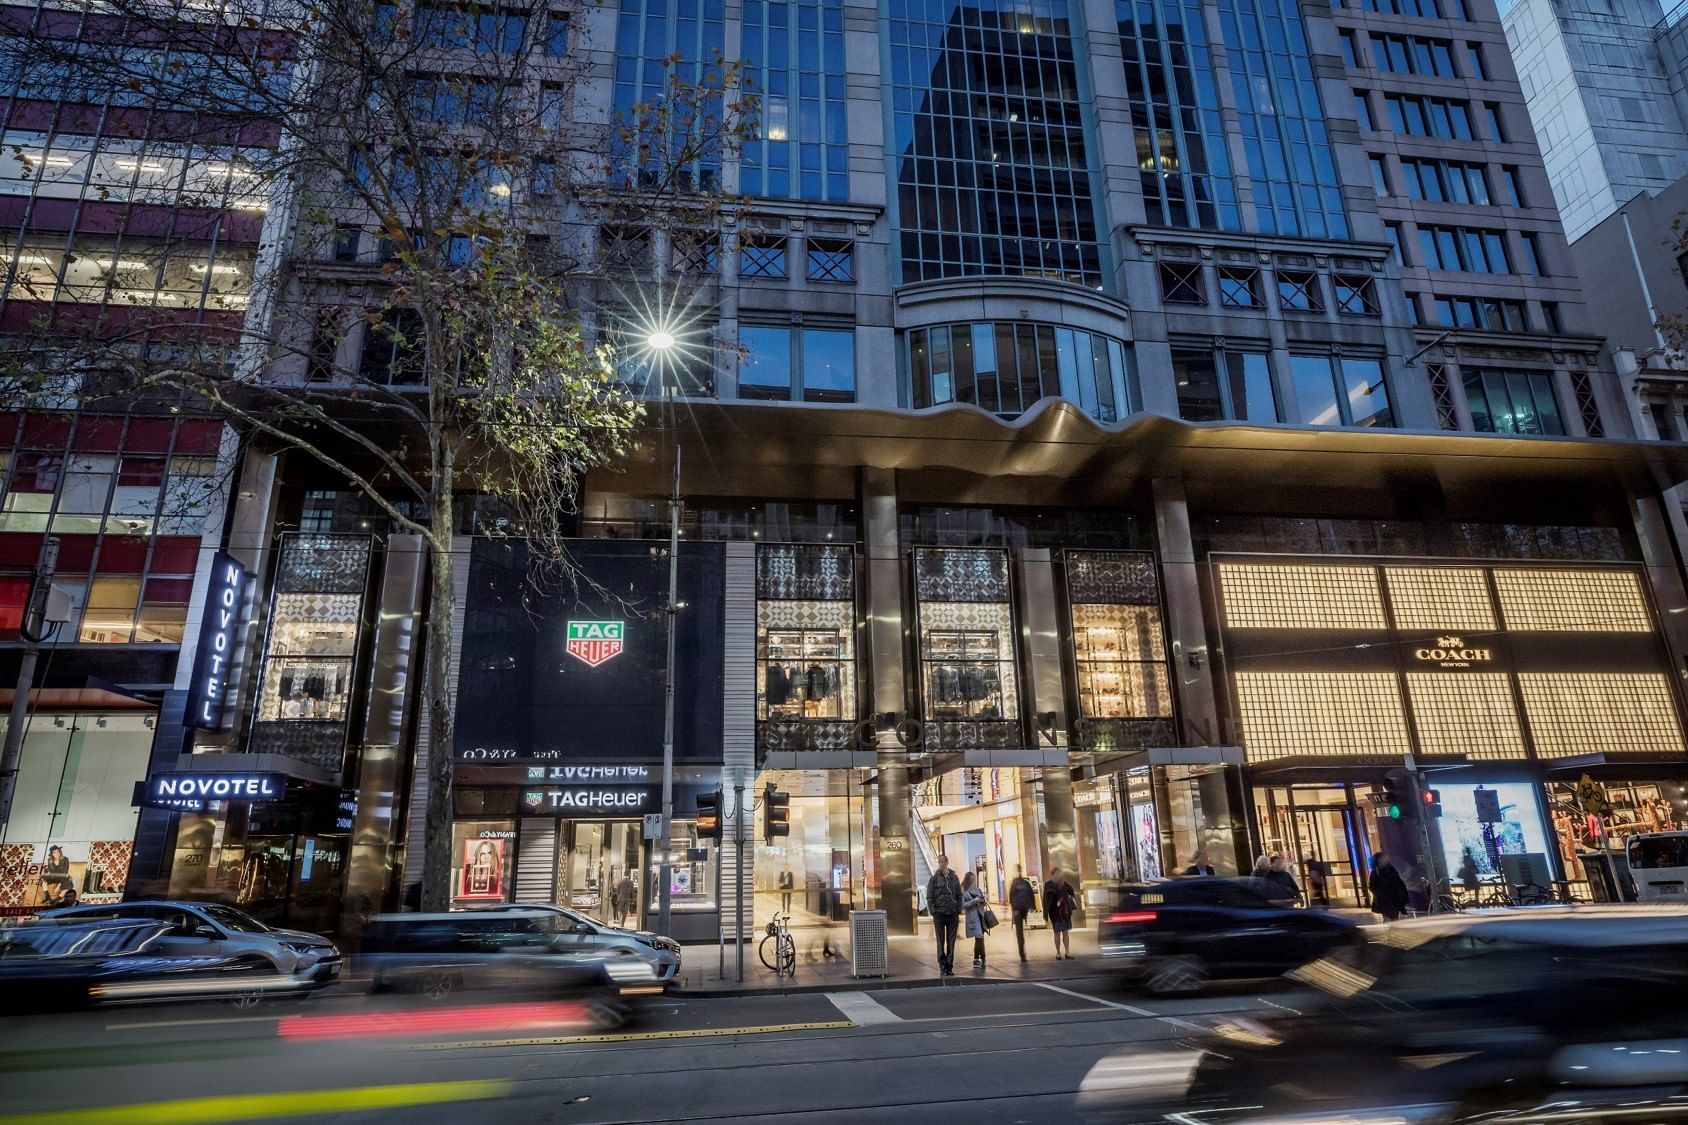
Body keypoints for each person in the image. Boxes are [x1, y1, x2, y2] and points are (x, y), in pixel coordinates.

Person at [926, 853, 963, 977]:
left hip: (952, 915)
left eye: (943, 862)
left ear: (947, 862)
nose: (941, 864)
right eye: (939, 862)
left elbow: (959, 894)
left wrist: (958, 908)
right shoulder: (934, 879)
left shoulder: (954, 878)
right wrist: (933, 911)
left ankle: (949, 966)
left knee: (951, 942)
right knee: (940, 942)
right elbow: (929, 896)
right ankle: (942, 965)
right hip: (939, 915)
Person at [1043, 867, 1078, 960]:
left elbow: (1071, 891)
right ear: (1053, 875)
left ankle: (1067, 952)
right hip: (1055, 913)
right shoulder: (1048, 885)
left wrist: (1066, 888)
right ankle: (1058, 953)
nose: (1060, 875)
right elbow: (1046, 899)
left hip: (1065, 912)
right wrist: (1045, 914)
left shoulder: (1064, 884)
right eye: (1058, 874)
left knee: (1065, 932)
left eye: (1060, 874)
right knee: (1057, 932)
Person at [961, 870, 989, 970]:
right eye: (972, 880)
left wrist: (983, 900)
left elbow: (984, 903)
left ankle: (980, 959)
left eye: (974, 880)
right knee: (979, 938)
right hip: (972, 918)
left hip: (981, 917)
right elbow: (962, 906)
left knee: (980, 939)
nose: (974, 882)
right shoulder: (964, 891)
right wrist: (974, 901)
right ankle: (979, 958)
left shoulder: (978, 890)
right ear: (968, 881)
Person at [1369, 853, 1410, 921]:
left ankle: (1391, 928)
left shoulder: (1379, 871)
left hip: (1389, 899)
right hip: (1389, 899)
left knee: (1389, 916)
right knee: (1390, 916)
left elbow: (1396, 884)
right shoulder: (1387, 870)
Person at [1008, 866, 1036, 963]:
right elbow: (1031, 895)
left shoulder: (1015, 884)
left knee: (1020, 933)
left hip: (1018, 910)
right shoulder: (1025, 883)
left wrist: (1014, 908)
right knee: (1020, 933)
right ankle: (1022, 953)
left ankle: (1022, 953)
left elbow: (1011, 897)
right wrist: (1032, 906)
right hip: (1021, 910)